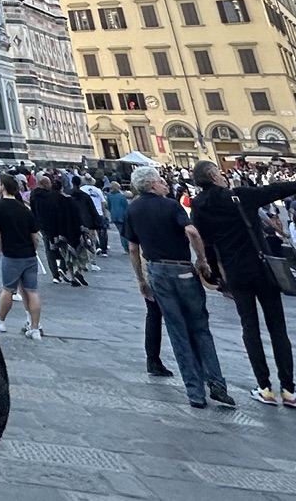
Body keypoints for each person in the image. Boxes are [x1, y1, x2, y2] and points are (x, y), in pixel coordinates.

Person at [189, 162, 296, 407]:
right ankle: (288, 390)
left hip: (236, 272)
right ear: (213, 175)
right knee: (277, 328)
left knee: (250, 328)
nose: (223, 176)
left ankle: (264, 388)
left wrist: (214, 272)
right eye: (219, 172)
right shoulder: (239, 196)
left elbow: (207, 242)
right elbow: (275, 190)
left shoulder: (199, 205)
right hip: (263, 269)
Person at [124, 164, 232, 409]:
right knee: (200, 328)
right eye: (160, 181)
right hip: (182, 268)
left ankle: (195, 393)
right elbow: (192, 231)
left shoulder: (134, 209)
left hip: (156, 271)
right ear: (152, 184)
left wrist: (141, 279)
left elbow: (133, 248)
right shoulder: (171, 205)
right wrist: (202, 260)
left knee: (177, 332)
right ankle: (216, 383)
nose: (164, 184)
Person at [0, 173, 43, 339]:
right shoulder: (25, 209)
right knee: (32, 291)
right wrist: (32, 250)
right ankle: (35, 328)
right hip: (29, 255)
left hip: (11, 254)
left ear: (2, 187)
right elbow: (35, 236)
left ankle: (0, 321)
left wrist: (1, 248)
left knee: (8, 289)